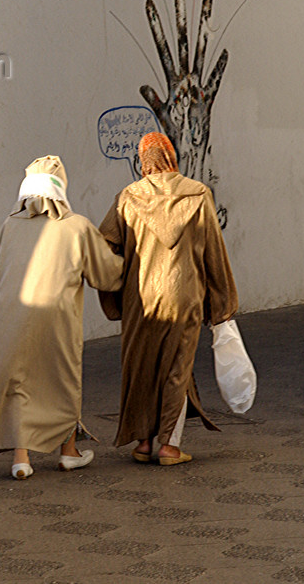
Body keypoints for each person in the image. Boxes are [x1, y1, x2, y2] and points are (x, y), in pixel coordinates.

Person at [0, 156, 124, 479]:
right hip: (57, 317)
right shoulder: (76, 226)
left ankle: (21, 459)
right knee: (60, 378)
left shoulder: (9, 225)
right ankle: (68, 452)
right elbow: (106, 275)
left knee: (18, 383)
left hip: (9, 315)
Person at [98, 132, 238, 465]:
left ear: (143, 162)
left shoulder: (127, 197)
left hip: (140, 298)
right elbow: (214, 253)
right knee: (178, 366)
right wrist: (222, 303)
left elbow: (105, 247)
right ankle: (169, 447)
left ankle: (145, 442)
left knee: (142, 365)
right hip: (185, 293)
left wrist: (115, 293)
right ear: (172, 157)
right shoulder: (198, 194)